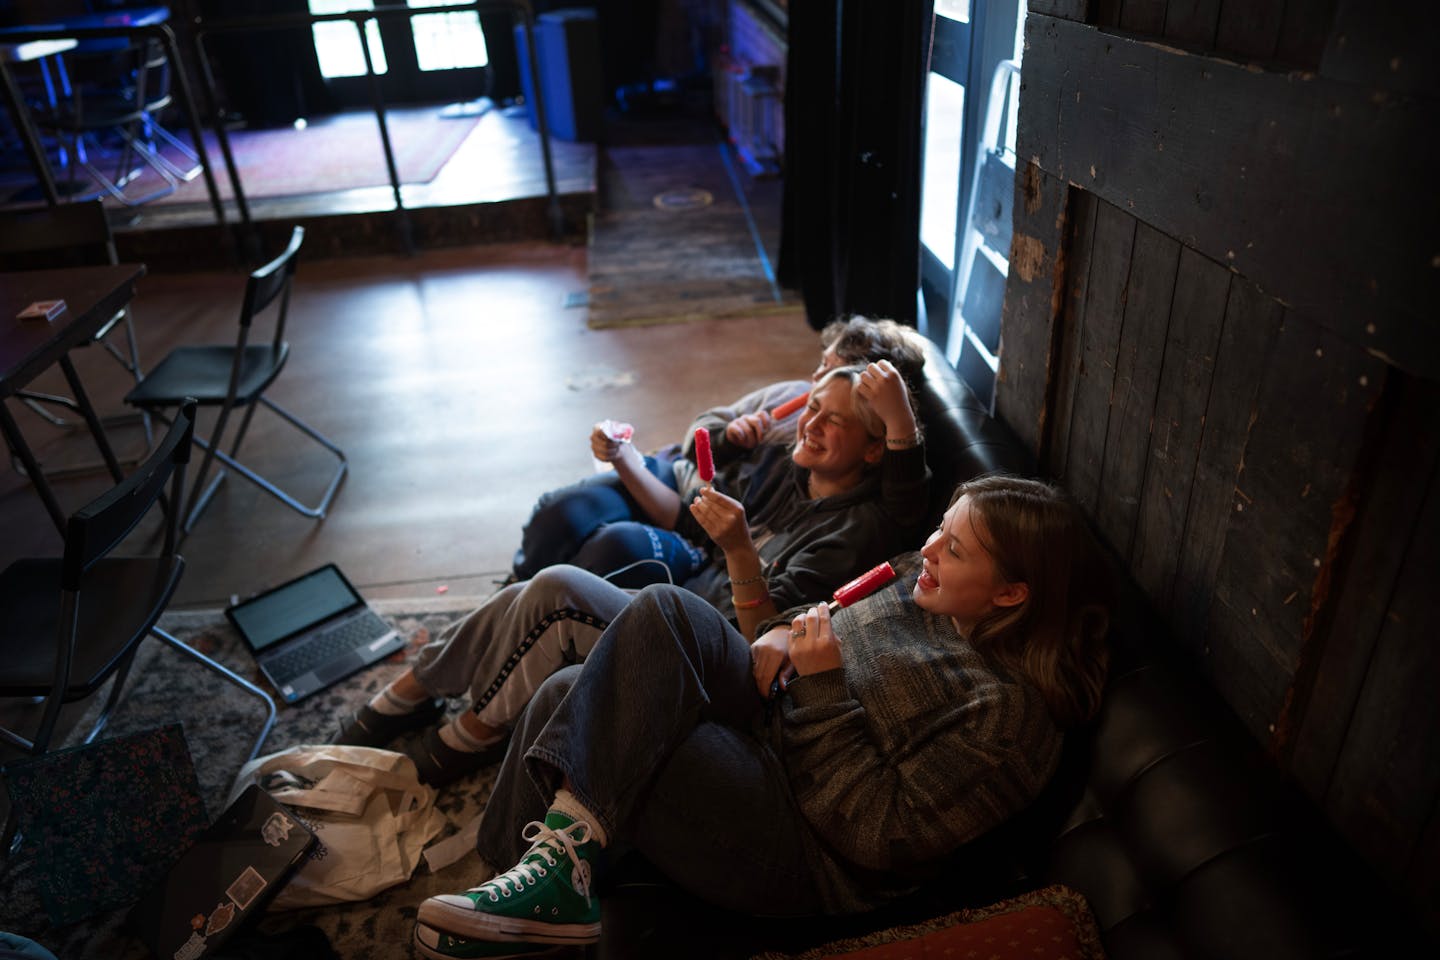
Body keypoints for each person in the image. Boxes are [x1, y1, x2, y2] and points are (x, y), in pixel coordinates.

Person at [408, 474, 1113, 958]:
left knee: (570, 690)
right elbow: (813, 625)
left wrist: (826, 690)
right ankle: (524, 880)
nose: (925, 550)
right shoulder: (918, 586)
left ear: (1013, 594)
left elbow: (876, 836)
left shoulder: (1010, 723)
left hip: (808, 853)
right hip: (771, 726)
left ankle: (520, 887)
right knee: (664, 609)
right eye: (939, 530)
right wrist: (779, 630)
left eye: (954, 549)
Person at [335, 362, 930, 787]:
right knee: (528, 592)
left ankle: (465, 738)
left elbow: (759, 638)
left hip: (717, 653)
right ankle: (408, 695)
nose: (811, 425)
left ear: (875, 450)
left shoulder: (866, 526)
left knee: (556, 588)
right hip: (672, 605)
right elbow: (691, 525)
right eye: (813, 411)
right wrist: (633, 461)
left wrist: (742, 549)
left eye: (835, 423)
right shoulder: (780, 466)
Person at [510, 315, 927, 585]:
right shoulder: (790, 436)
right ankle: (517, 590)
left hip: (703, 524)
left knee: (607, 551)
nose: (813, 382)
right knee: (561, 511)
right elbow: (699, 441)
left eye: (833, 376)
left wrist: (901, 423)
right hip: (679, 484)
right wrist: (727, 438)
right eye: (821, 370)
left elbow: (904, 493)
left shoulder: (829, 485)